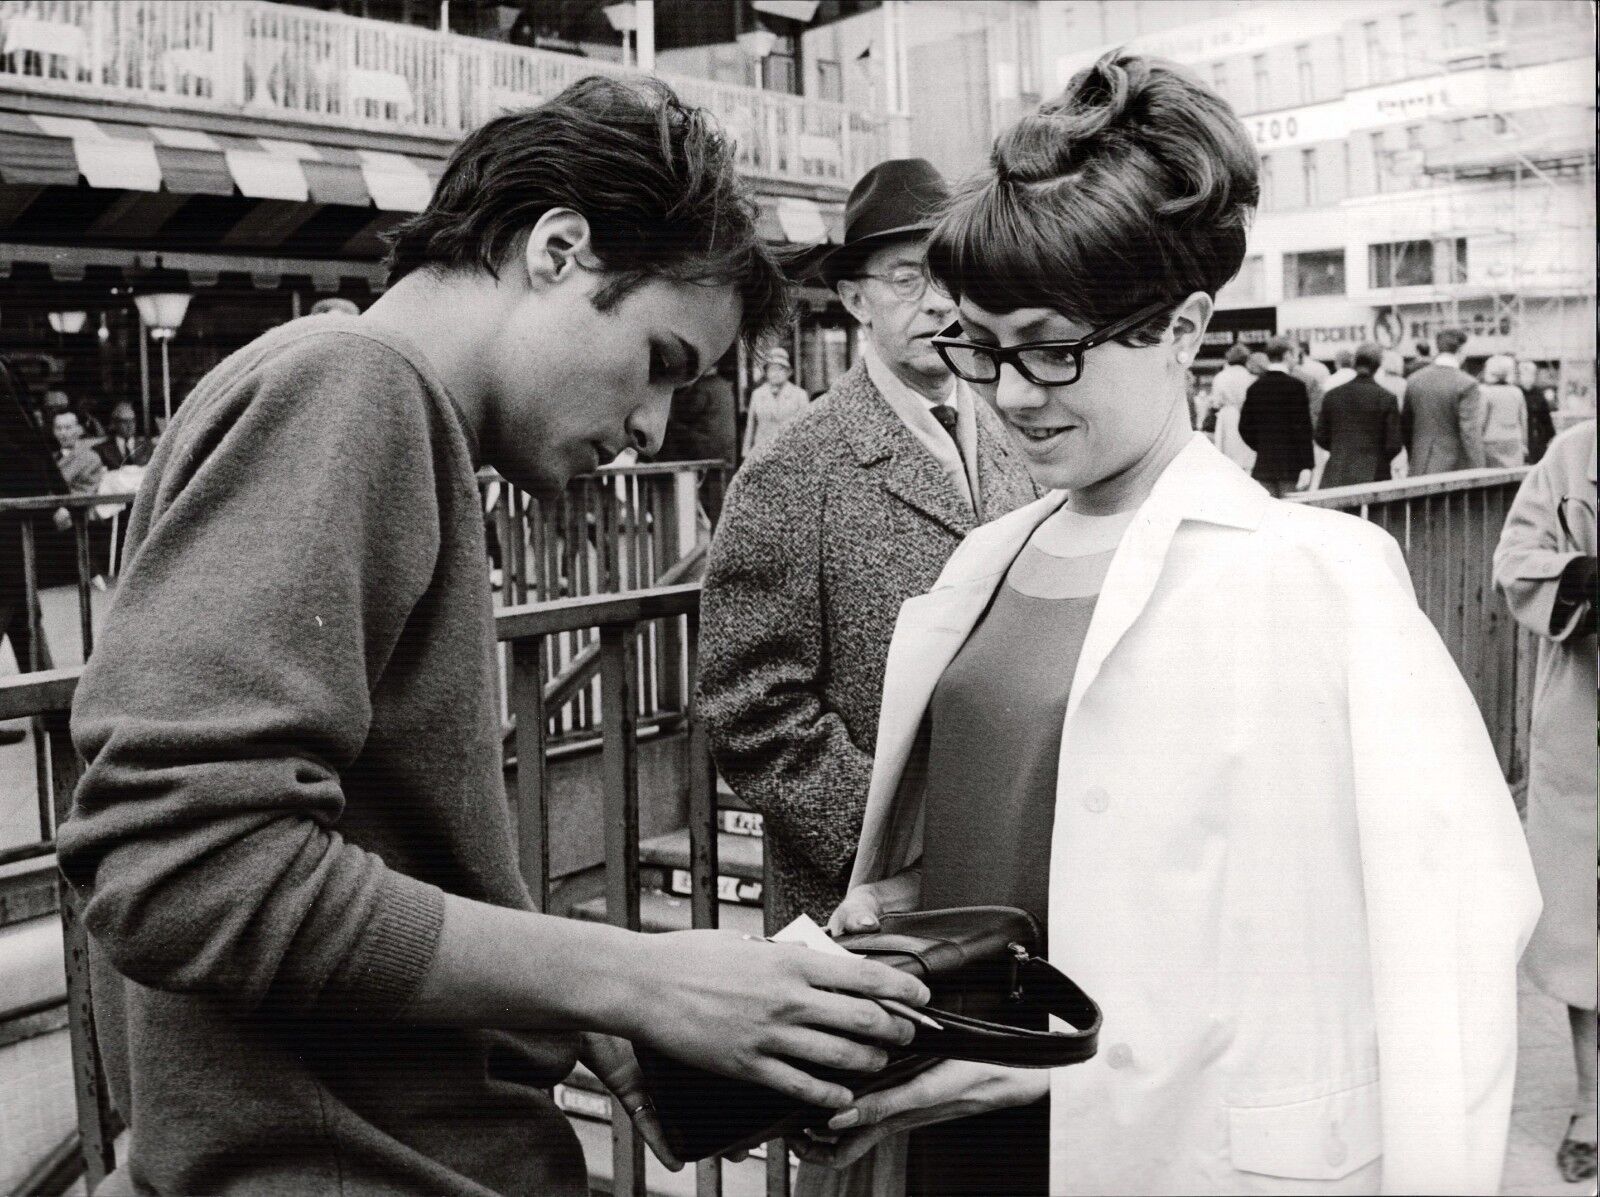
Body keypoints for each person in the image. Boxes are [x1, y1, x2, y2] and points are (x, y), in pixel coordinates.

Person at [57, 77, 933, 1197]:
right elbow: (183, 871)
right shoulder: (355, 389)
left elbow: (289, 852)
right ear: (558, 249)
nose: (650, 428)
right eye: (662, 361)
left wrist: (584, 1007)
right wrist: (625, 981)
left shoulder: (334, 389)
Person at [799, 51, 1539, 1196]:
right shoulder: (989, 562)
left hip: (1171, 1149)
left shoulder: (1320, 580)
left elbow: (1441, 950)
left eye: (1053, 348)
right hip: (958, 1124)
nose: (1012, 394)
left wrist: (1076, 1064)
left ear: (1185, 323)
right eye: (982, 349)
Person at [698, 157, 1037, 934]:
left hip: (1012, 869)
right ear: (853, 298)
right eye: (907, 279)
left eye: (952, 276)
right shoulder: (790, 470)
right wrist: (902, 837)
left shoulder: (1015, 430)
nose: (939, 303)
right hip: (860, 906)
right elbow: (751, 711)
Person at [1493, 419, 1597, 1184]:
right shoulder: (1574, 456)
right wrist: (1585, 577)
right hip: (1587, 729)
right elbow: (1515, 561)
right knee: (1587, 937)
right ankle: (1592, 1106)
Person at [656, 363, 739, 526]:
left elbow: (688, 412)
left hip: (705, 447)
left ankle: (667, 481)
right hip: (725, 449)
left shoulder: (704, 387)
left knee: (669, 427)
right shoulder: (724, 385)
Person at [1314, 342, 1404, 488]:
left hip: (1337, 470)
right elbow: (1393, 444)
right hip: (1375, 474)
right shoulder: (1386, 398)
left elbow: (1320, 436)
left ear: (1355, 363)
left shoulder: (1332, 395)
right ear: (1378, 365)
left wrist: (1340, 450)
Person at [1401, 328, 1485, 476]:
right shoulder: (1468, 384)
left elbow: (1406, 426)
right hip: (1453, 468)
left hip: (1419, 464)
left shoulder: (1414, 380)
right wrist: (1479, 470)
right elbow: (1470, 433)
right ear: (1461, 350)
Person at [1238, 336, 1313, 497]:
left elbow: (1244, 427)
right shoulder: (1297, 387)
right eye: (1295, 355)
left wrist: (1263, 445)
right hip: (1291, 466)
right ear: (1286, 355)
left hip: (1263, 466)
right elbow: (1303, 428)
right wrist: (1307, 465)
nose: (1296, 360)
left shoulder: (1255, 387)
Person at [740, 346, 809, 459]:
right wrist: (746, 454)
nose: (775, 373)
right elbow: (751, 427)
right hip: (762, 453)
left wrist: (804, 453)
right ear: (766, 372)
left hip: (789, 454)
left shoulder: (799, 395)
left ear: (788, 372)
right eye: (771, 369)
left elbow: (806, 428)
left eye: (780, 369)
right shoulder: (758, 394)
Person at [1209, 342, 1255, 472]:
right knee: (1246, 455)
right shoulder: (1250, 377)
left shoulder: (1221, 376)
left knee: (1228, 457)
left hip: (1227, 416)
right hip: (1247, 415)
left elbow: (1215, 402)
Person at [1478, 354, 1528, 468]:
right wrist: (1524, 444)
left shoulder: (1484, 392)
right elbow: (1523, 421)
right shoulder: (1517, 392)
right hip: (1514, 441)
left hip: (1491, 442)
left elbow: (1481, 421)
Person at [1519, 359, 1558, 465]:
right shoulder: (1517, 393)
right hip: (1523, 437)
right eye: (1525, 373)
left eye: (1531, 374)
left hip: (1538, 438)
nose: (1529, 377)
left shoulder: (1539, 394)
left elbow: (1546, 418)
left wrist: (1550, 436)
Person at [94, 401, 154, 470]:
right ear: (114, 423)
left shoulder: (149, 447)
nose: (130, 425)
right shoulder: (101, 450)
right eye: (124, 421)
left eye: (132, 421)